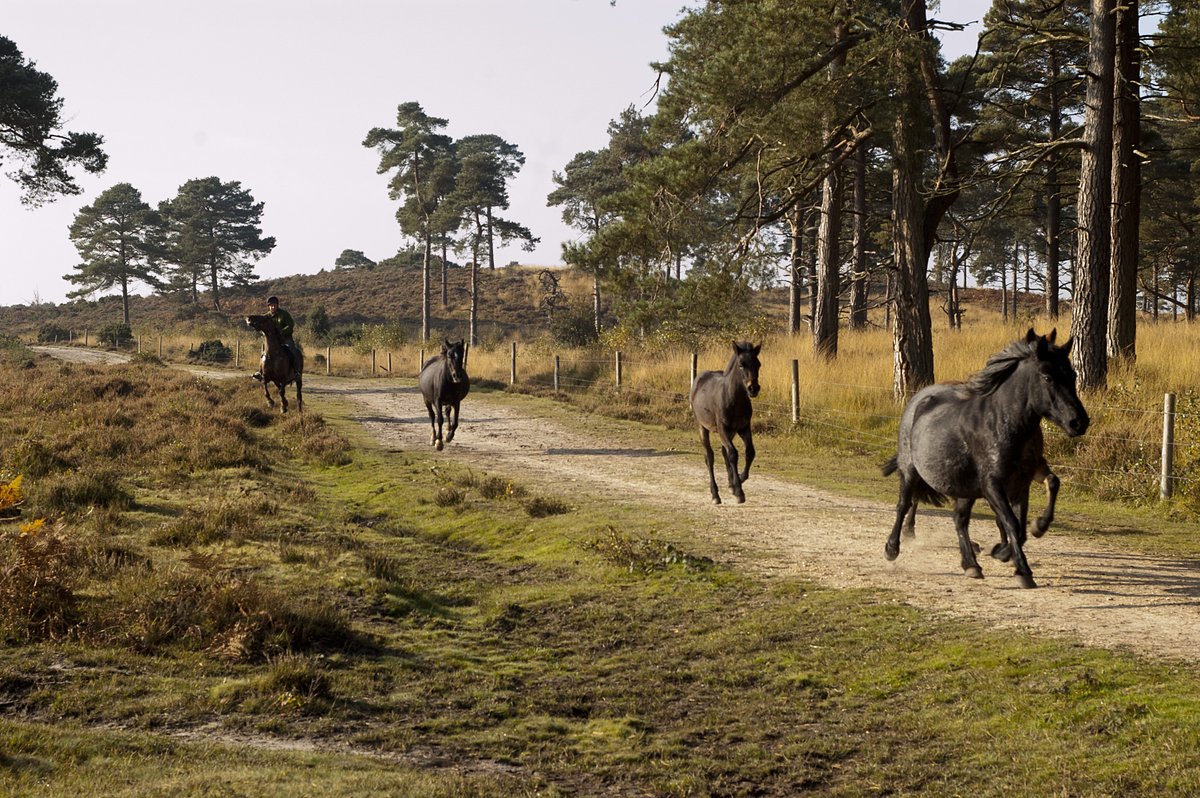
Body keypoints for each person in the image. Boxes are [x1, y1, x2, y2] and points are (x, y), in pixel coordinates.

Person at [253, 295, 300, 379]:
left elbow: (290, 325)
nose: (273, 307)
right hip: (272, 340)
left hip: (285, 338)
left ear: (277, 305)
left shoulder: (284, 314)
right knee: (263, 352)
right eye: (271, 306)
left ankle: (296, 372)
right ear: (268, 307)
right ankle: (260, 372)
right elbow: (261, 327)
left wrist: (282, 331)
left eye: (274, 305)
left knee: (292, 350)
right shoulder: (266, 317)